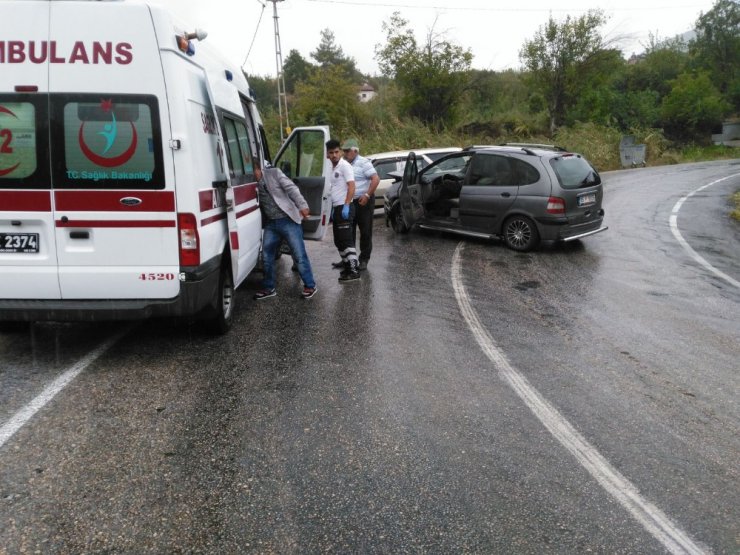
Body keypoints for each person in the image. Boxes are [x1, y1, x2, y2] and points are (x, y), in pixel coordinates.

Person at [253, 162, 318, 300]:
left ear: (258, 168)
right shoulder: (251, 184)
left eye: (253, 171)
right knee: (266, 257)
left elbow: (291, 188)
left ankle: (310, 285)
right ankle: (269, 288)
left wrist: (303, 205)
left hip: (287, 219)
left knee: (299, 255)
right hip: (271, 223)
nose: (252, 175)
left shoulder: (274, 173)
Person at [331, 138, 379, 272]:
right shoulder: (343, 164)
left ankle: (364, 259)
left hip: (363, 201)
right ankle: (348, 258)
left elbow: (376, 179)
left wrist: (367, 195)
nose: (345, 153)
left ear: (355, 151)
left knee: (365, 231)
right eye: (344, 151)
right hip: (349, 202)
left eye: (347, 151)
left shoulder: (364, 162)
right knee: (347, 231)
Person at [326, 138, 361, 282]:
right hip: (337, 208)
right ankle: (347, 268)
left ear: (340, 152)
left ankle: (354, 270)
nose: (334, 155)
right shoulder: (331, 168)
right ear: (327, 154)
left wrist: (346, 204)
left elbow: (352, 187)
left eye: (336, 152)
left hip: (345, 207)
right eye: (331, 153)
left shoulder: (344, 166)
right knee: (338, 241)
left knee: (346, 240)